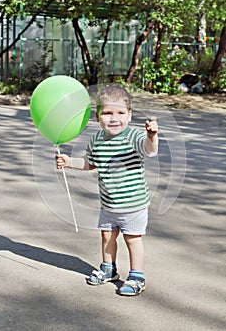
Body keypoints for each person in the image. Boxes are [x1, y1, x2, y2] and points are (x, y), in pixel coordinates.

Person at [56, 86, 159, 296]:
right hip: (109, 203)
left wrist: (152, 136)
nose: (114, 118)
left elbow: (149, 150)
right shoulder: (96, 141)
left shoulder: (133, 136)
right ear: (97, 116)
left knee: (132, 239)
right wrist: (69, 162)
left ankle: (136, 276)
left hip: (134, 204)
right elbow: (90, 163)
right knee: (107, 236)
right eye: (107, 113)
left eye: (120, 113)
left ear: (129, 115)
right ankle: (109, 268)